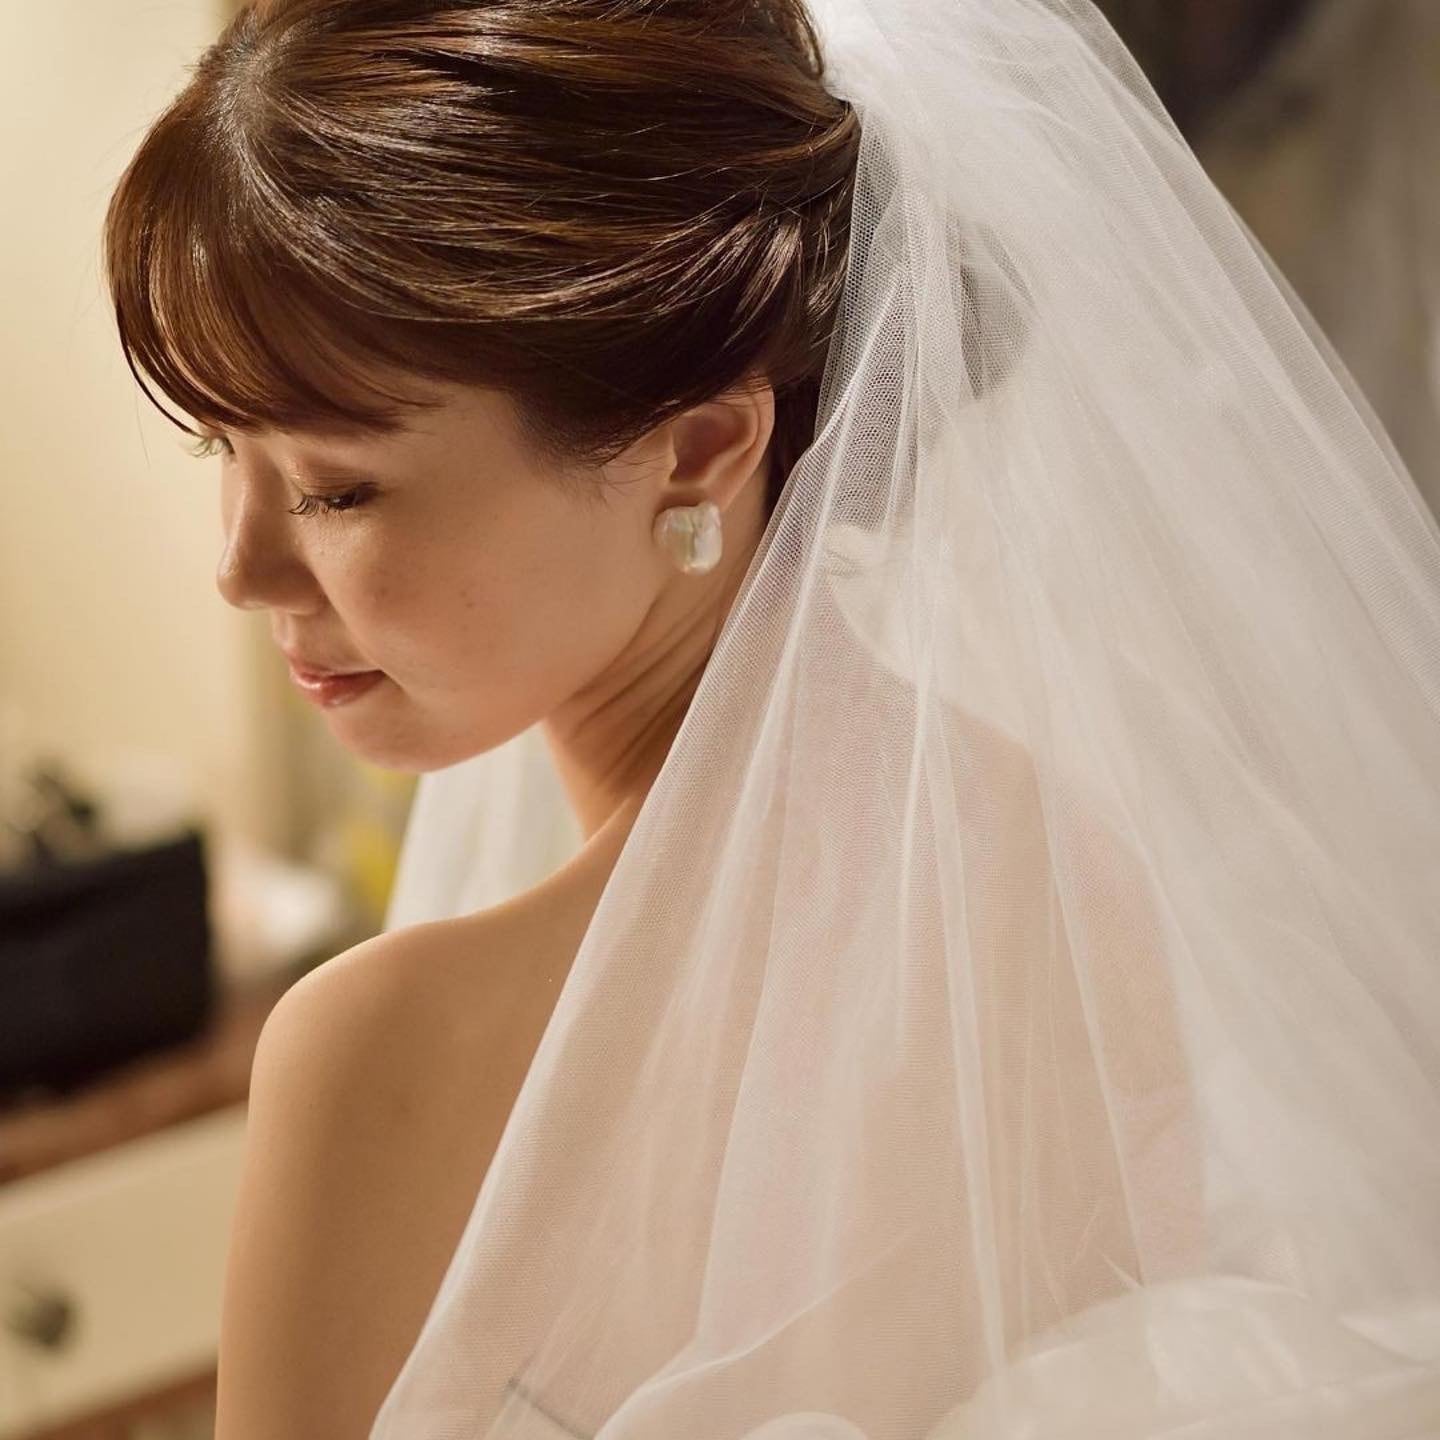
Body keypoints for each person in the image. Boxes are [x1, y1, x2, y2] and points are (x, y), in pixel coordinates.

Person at [103, 0, 1440, 1436]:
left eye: (334, 487)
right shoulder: (1064, 868)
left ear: (700, 449)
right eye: (219, 442)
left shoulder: (383, 1061)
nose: (239, 566)